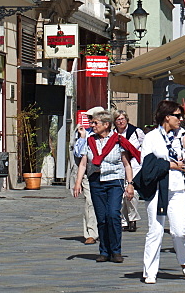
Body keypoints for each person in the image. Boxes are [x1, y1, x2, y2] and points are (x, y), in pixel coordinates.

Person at [138, 100, 185, 284]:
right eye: (177, 116)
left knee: (179, 231)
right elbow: (146, 164)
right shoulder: (152, 137)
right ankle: (150, 271)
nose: (180, 119)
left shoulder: (181, 136)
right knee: (155, 230)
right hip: (157, 188)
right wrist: (169, 164)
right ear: (166, 117)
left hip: (176, 188)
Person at [73, 110, 138, 263]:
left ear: (106, 124)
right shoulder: (90, 141)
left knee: (113, 214)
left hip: (114, 181)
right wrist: (78, 183)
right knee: (101, 217)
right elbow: (83, 163)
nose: (92, 125)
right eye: (92, 122)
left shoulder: (118, 140)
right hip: (96, 181)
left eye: (95, 123)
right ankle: (104, 251)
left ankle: (116, 251)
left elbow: (126, 164)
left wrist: (130, 184)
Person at [70, 105, 103, 245]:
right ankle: (90, 233)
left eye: (92, 119)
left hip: (107, 174)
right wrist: (82, 138)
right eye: (89, 119)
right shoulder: (85, 133)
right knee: (90, 203)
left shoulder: (112, 134)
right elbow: (78, 153)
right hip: (89, 173)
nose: (90, 122)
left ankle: (104, 231)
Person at [115, 109, 144, 232]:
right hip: (120, 165)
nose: (121, 121)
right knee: (121, 194)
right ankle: (123, 221)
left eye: (122, 119)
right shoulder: (113, 134)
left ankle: (133, 219)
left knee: (132, 193)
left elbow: (145, 146)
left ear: (126, 119)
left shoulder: (136, 132)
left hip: (135, 164)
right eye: (118, 119)